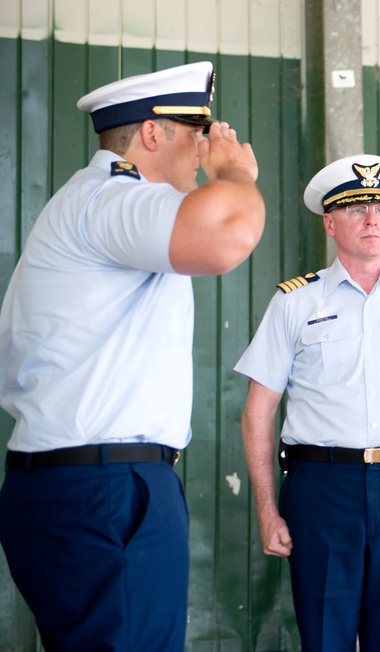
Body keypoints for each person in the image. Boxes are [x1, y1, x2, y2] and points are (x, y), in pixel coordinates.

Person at [0, 61, 265, 651]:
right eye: (196, 134)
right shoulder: (112, 199)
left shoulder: (101, 204)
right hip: (105, 488)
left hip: (89, 482)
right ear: (152, 134)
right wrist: (236, 175)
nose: (203, 152)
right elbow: (229, 230)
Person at [236, 154, 380, 651]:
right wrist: (265, 509)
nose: (371, 219)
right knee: (325, 638)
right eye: (357, 207)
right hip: (321, 488)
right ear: (330, 222)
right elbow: (259, 412)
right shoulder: (295, 303)